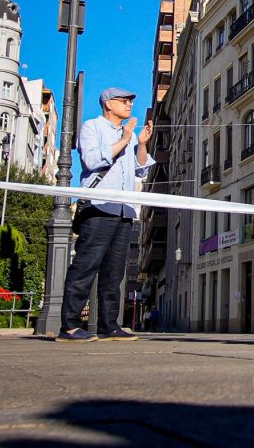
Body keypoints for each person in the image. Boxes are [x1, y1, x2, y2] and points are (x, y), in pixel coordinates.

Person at [58, 88, 154, 342]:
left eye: (131, 101)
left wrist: (141, 144)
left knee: (115, 273)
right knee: (86, 266)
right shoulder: (93, 127)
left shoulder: (130, 135)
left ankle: (109, 325)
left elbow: (140, 169)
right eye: (124, 101)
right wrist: (124, 139)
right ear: (108, 104)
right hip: (98, 208)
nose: (129, 105)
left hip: (123, 210)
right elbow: (91, 161)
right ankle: (69, 325)